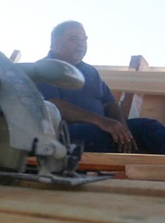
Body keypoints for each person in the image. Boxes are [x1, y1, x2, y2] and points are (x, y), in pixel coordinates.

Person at [35, 21, 165, 154]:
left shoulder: (90, 72)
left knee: (149, 127)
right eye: (74, 39)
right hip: (63, 130)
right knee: (90, 134)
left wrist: (123, 129)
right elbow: (53, 106)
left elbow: (109, 103)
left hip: (102, 127)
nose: (81, 44)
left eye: (84, 39)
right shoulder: (43, 68)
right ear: (56, 44)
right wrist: (102, 122)